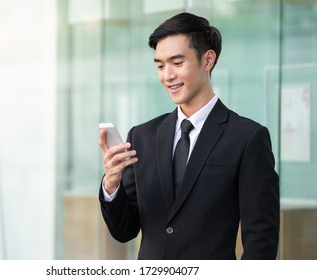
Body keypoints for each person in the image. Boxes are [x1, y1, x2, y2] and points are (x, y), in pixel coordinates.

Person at [98, 12, 279, 260]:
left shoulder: (248, 138)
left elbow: (261, 240)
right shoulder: (142, 136)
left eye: (177, 63)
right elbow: (124, 230)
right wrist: (111, 184)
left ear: (208, 60)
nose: (167, 75)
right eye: (160, 66)